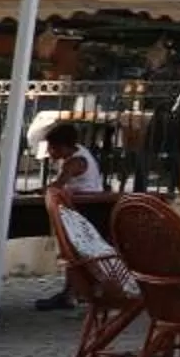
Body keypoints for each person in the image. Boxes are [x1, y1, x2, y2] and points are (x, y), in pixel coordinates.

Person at [30, 122, 107, 314]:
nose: (49, 152)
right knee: (74, 253)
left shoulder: (75, 162)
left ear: (63, 146)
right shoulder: (77, 153)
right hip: (80, 207)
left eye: (52, 147)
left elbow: (57, 186)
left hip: (86, 209)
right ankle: (71, 293)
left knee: (74, 253)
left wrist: (42, 190)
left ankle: (76, 293)